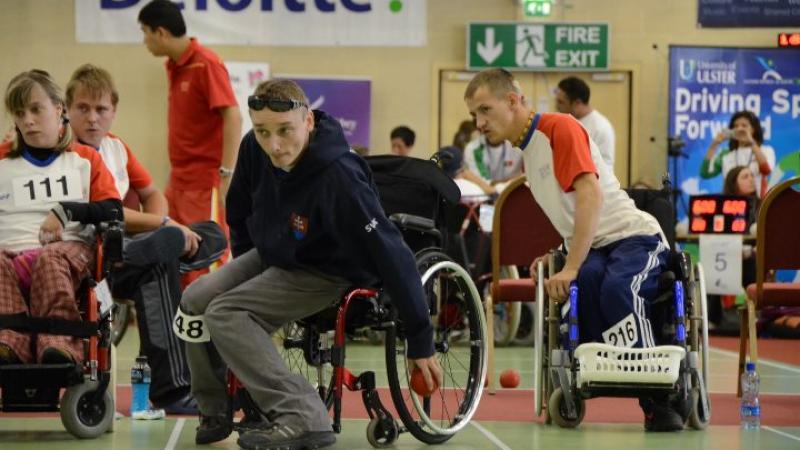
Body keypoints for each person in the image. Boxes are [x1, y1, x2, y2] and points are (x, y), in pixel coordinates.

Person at [179, 79, 442, 449]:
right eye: (263, 131)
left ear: (308, 122)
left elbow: (391, 250)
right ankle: (217, 408)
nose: (274, 144)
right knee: (195, 300)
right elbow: (238, 211)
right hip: (276, 253)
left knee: (226, 312)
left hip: (328, 269)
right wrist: (249, 271)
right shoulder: (255, 148)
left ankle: (303, 415)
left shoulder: (339, 176)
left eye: (285, 130)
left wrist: (420, 338)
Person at [464, 69, 684, 431]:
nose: (479, 122)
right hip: (596, 246)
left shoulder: (559, 129)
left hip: (633, 238)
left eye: (485, 110)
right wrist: (558, 254)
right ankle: (591, 376)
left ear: (513, 101)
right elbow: (571, 215)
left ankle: (658, 397)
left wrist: (570, 266)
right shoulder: (530, 153)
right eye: (474, 115)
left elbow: (590, 196)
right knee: (584, 289)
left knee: (618, 288)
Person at [65, 64, 227, 414]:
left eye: (101, 109)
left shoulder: (116, 148)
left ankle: (173, 248)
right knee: (160, 256)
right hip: (90, 254)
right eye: (83, 109)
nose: (92, 118)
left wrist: (159, 227)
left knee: (196, 241)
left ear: (114, 112)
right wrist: (164, 223)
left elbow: (151, 191)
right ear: (66, 111)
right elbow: (107, 211)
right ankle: (173, 392)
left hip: (127, 247)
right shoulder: (67, 154)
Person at [0, 70, 121, 365]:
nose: (27, 120)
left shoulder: (84, 158)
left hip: (68, 249)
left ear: (58, 109)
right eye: (19, 113)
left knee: (49, 259)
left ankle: (60, 341)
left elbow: (114, 209)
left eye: (35, 109)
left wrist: (67, 210)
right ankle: (9, 342)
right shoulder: (3, 160)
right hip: (9, 250)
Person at [138, 0, 242, 286]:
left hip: (203, 181)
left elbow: (233, 116)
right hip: (179, 179)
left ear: (160, 32)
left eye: (145, 32)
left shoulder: (205, 63)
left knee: (205, 253)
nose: (144, 40)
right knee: (173, 245)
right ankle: (181, 320)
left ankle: (213, 321)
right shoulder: (173, 65)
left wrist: (227, 174)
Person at [701, 110, 775, 197]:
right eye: (736, 126)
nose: (739, 129)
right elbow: (705, 173)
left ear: (753, 129)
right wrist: (714, 144)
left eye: (744, 126)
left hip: (757, 204)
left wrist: (751, 142)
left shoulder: (765, 150)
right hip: (731, 205)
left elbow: (766, 170)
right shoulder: (726, 154)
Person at [555, 76, 616, 169]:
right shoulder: (565, 121)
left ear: (577, 103)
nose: (557, 106)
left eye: (561, 102)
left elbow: (604, 168)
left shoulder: (601, 128)